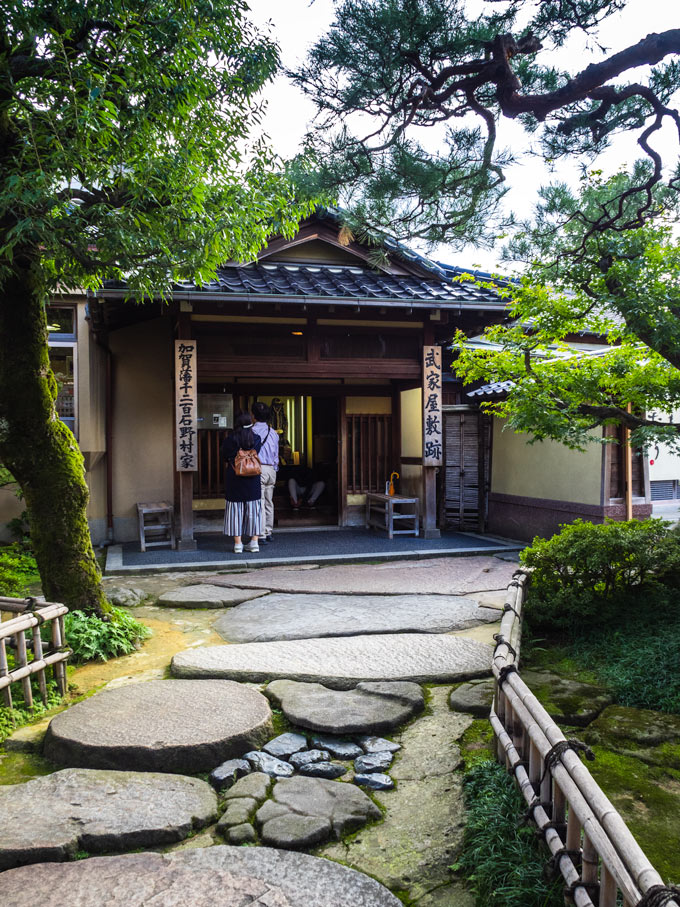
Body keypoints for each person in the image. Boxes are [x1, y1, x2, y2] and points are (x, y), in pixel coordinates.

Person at [222, 413, 263, 553]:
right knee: (254, 511)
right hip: (253, 477)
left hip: (235, 477)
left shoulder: (230, 440)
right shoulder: (256, 439)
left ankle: (238, 544)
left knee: (235, 511)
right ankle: (254, 542)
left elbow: (224, 456)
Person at [251, 401, 279, 543]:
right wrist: (274, 468)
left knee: (259, 501)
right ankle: (268, 531)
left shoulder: (252, 431)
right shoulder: (273, 433)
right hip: (271, 469)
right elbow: (276, 455)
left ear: (253, 415)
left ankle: (260, 534)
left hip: (258, 468)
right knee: (269, 501)